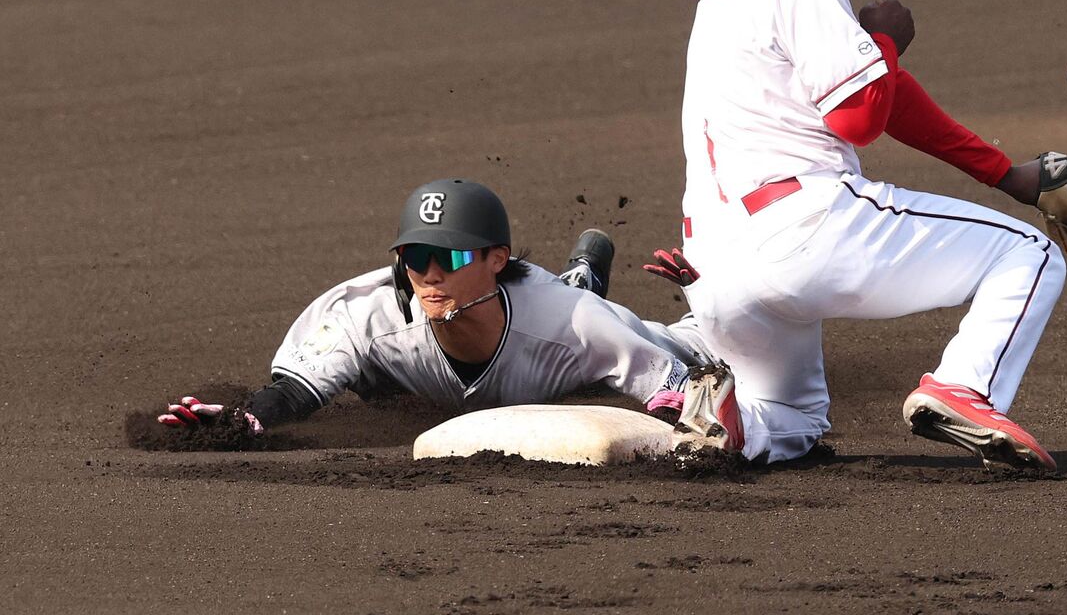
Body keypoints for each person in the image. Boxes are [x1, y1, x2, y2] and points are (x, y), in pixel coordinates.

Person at [659, 0, 1067, 472]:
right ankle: (962, 388)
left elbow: (885, 96)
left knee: (792, 419)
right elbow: (857, 117)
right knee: (1029, 257)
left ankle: (727, 421)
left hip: (713, 264)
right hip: (804, 231)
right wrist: (885, 37)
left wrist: (1005, 174)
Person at [159, 178, 713, 435]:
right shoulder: (367, 315)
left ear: (497, 258)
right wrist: (237, 423)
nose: (429, 273)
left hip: (569, 325)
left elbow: (684, 387)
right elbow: (289, 395)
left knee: (703, 340)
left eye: (449, 255)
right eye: (414, 256)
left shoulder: (575, 326)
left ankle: (581, 281)